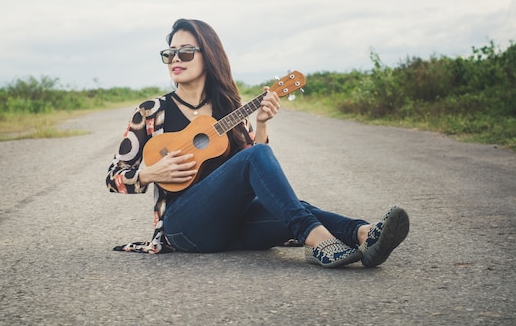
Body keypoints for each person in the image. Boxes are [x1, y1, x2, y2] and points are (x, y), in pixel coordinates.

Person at [105, 18, 409, 268]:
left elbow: (258, 174)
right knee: (273, 181)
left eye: (185, 52)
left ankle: (365, 234)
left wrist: (261, 123)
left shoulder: (229, 110)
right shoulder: (150, 112)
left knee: (287, 205)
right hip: (185, 227)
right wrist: (150, 174)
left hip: (234, 228)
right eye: (169, 54)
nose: (175, 60)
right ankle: (318, 241)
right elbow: (113, 176)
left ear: (208, 55)